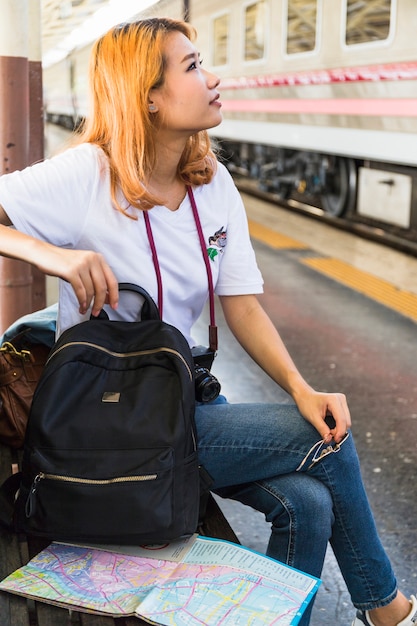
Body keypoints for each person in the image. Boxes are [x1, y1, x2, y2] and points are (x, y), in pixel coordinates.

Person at [0, 17, 415, 626]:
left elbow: (240, 304)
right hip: (112, 418)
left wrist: (300, 389)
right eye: (193, 66)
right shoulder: (87, 174)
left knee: (305, 502)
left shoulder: (211, 181)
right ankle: (389, 609)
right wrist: (54, 255)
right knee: (332, 440)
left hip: (187, 397)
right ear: (147, 94)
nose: (215, 77)